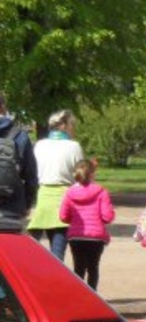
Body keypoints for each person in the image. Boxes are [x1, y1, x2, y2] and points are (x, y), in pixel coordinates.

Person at [28, 109, 84, 259]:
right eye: (72, 124)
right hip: (64, 200)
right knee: (57, 254)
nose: (73, 128)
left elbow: (33, 171)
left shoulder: (39, 145)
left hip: (43, 197)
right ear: (64, 126)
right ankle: (53, 280)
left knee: (29, 248)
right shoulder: (74, 146)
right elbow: (80, 175)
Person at [57, 159, 113, 289]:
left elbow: (63, 216)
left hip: (76, 236)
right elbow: (107, 216)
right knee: (93, 267)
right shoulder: (101, 192)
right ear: (93, 174)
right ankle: (93, 295)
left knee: (78, 267)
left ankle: (79, 295)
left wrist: (73, 220)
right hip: (96, 236)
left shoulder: (69, 193)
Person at [0, 91, 39, 236]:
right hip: (13, 207)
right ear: (3, 108)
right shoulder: (20, 135)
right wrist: (27, 204)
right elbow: (31, 175)